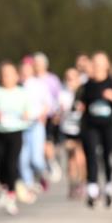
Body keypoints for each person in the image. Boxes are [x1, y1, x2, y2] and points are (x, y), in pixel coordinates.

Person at [0, 61, 37, 215]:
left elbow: (31, 110)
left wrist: (28, 114)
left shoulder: (22, 92)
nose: (6, 77)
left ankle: (11, 195)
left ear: (16, 76)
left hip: (16, 131)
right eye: (3, 75)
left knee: (11, 162)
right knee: (0, 163)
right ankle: (4, 189)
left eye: (9, 74)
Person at [75, 52, 112, 208]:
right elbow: (79, 102)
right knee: (91, 156)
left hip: (109, 125)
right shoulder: (87, 85)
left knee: (107, 156)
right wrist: (79, 106)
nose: (97, 66)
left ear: (107, 65)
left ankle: (109, 187)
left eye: (101, 63)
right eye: (95, 63)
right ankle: (92, 190)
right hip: (91, 125)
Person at [18, 56, 53, 197]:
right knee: (22, 159)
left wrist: (42, 115)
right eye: (23, 70)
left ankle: (44, 172)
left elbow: (48, 104)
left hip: (36, 124)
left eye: (28, 70)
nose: (25, 73)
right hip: (20, 126)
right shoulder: (17, 86)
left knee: (36, 159)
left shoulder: (39, 84)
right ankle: (29, 185)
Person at [33, 52, 64, 184]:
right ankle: (40, 168)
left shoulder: (52, 79)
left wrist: (58, 113)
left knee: (47, 142)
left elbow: (59, 98)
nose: (38, 66)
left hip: (49, 115)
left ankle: (51, 163)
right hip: (34, 117)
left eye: (40, 64)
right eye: (36, 64)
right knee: (37, 145)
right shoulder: (31, 79)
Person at [58, 67, 86, 199]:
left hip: (82, 128)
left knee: (80, 156)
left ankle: (82, 182)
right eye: (68, 78)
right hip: (68, 129)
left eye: (73, 78)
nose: (70, 81)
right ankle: (72, 184)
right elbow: (57, 114)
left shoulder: (83, 93)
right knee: (71, 158)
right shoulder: (62, 94)